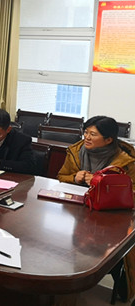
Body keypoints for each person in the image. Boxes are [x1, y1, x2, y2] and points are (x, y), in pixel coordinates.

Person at [57, 116, 135, 302]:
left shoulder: (126, 161)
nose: (87, 137)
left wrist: (103, 184)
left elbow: (132, 192)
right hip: (79, 211)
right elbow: (61, 176)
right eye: (85, 132)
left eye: (93, 134)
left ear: (108, 140)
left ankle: (116, 269)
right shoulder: (76, 151)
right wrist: (75, 177)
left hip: (111, 216)